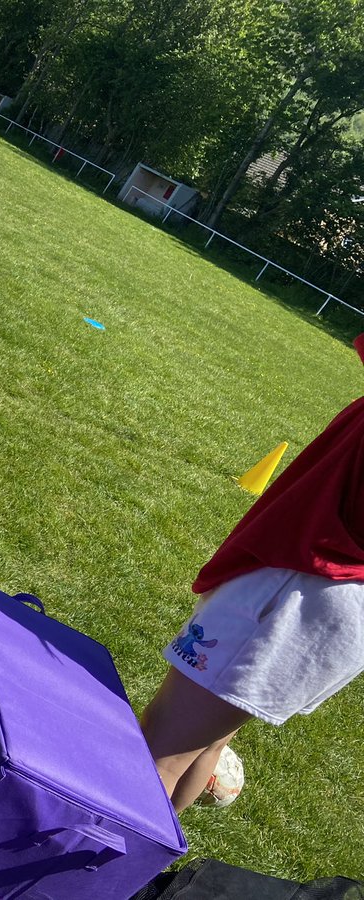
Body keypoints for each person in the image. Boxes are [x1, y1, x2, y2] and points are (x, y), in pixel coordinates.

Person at [140, 334, 364, 812]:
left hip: (305, 588)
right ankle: (125, 876)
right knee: (202, 745)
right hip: (332, 598)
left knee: (157, 753)